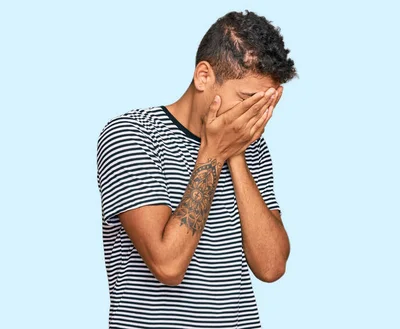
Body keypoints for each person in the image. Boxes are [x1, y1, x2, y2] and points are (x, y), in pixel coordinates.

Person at [96, 10, 297, 329]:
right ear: (204, 76)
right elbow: (168, 265)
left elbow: (271, 267)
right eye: (246, 99)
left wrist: (236, 153)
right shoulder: (132, 135)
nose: (254, 115)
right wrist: (214, 153)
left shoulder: (252, 146)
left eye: (265, 104)